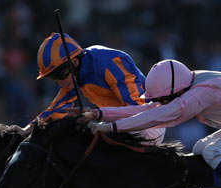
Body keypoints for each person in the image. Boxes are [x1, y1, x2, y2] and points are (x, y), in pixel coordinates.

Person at [11, 32, 165, 144]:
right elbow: (57, 109)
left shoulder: (109, 63)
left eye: (60, 75)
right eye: (54, 78)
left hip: (149, 122)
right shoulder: (74, 74)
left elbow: (138, 110)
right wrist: (27, 130)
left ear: (75, 63)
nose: (60, 83)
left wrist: (98, 116)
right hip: (121, 122)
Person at [87, 59, 221, 175]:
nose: (161, 103)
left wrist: (111, 127)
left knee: (212, 152)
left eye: (163, 99)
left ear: (178, 91)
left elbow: (159, 115)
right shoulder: (186, 81)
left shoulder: (200, 93)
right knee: (199, 149)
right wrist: (98, 114)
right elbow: (145, 109)